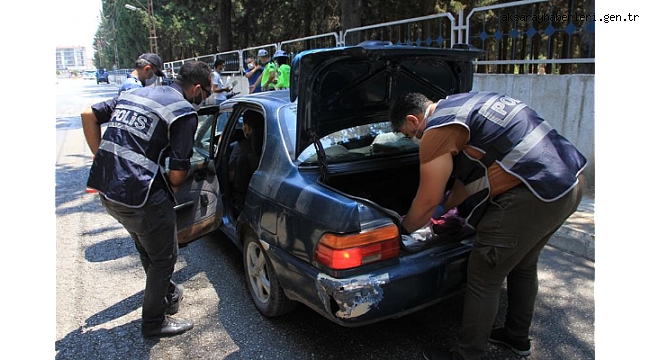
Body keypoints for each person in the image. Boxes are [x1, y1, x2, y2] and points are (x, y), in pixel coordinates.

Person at [389, 92, 587, 360]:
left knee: (484, 275)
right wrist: (442, 210)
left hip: (532, 195)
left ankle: (467, 354)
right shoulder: (466, 104)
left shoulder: (437, 130)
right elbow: (465, 183)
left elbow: (425, 202)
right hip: (569, 183)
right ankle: (516, 337)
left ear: (413, 120)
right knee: (523, 263)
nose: (412, 139)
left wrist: (403, 230)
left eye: (407, 134)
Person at [80, 61, 214, 339]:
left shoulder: (135, 93)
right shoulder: (183, 112)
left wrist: (101, 156)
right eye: (208, 92)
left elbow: (87, 115)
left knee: (147, 245)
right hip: (140, 197)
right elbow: (177, 175)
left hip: (107, 188)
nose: (207, 98)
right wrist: (194, 172)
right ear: (197, 88)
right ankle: (154, 323)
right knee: (164, 258)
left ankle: (167, 294)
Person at [228, 111, 264, 214]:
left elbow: (230, 177)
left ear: (247, 127)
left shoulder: (239, 148)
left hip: (242, 201)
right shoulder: (273, 145)